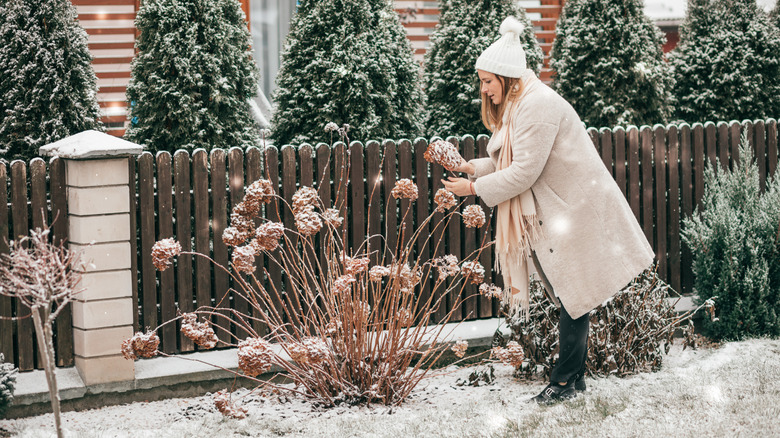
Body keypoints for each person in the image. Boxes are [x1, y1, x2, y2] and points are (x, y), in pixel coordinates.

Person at [441, 16, 654, 404]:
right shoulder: (523, 103)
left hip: (574, 210)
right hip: (561, 210)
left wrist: (472, 188)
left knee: (573, 294)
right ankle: (573, 380)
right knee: (570, 295)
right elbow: (513, 158)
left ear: (506, 78)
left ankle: (563, 382)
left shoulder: (537, 106)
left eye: (487, 81)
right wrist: (472, 167)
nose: (484, 90)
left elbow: (523, 172)